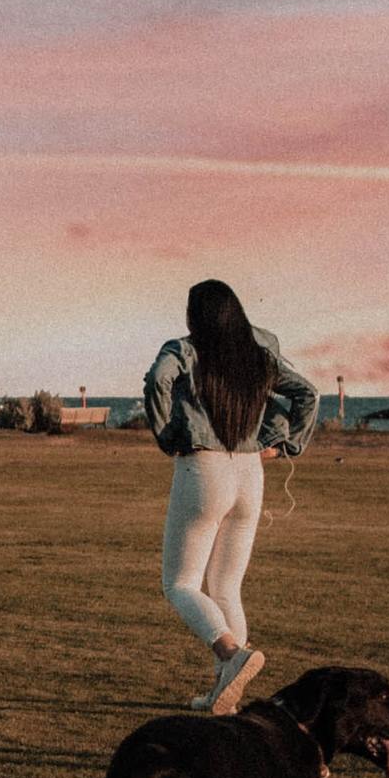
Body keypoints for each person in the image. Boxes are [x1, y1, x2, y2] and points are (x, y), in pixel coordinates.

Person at [140, 280, 319, 713]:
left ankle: (230, 654)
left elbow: (157, 381)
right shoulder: (257, 352)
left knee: (179, 584)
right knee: (226, 587)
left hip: (203, 468)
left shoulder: (184, 349)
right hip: (249, 472)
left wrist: (168, 436)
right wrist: (286, 443)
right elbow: (307, 394)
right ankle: (225, 695)